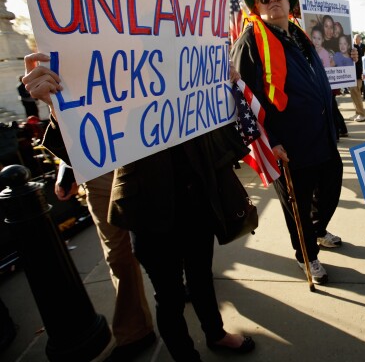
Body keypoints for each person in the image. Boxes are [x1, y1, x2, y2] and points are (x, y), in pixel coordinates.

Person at [23, 54, 256, 362]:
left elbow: (227, 136)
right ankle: (185, 356)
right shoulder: (116, 84)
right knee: (169, 295)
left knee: (200, 278)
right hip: (149, 211)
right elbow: (86, 149)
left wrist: (220, 87)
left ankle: (215, 333)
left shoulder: (185, 73)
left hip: (197, 200)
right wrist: (55, 105)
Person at [230, 0, 348, 284]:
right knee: (296, 204)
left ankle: (318, 230)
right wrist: (272, 141)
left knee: (331, 189)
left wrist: (335, 119)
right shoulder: (250, 41)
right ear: (256, 6)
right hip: (289, 145)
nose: (272, 2)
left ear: (288, 0)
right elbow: (244, 98)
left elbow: (318, 80)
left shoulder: (298, 34)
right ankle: (306, 255)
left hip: (321, 136)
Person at [54, 165, 156, 362]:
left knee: (167, 229)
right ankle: (135, 332)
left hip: (144, 157)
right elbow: (65, 134)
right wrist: (66, 168)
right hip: (97, 168)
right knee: (117, 255)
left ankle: (192, 281)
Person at [348, 33, 365, 121]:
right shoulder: (352, 47)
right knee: (353, 95)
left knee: (357, 94)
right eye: (355, 38)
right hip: (351, 75)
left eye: (357, 38)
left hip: (357, 75)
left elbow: (359, 62)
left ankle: (362, 114)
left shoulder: (357, 48)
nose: (356, 40)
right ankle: (357, 113)